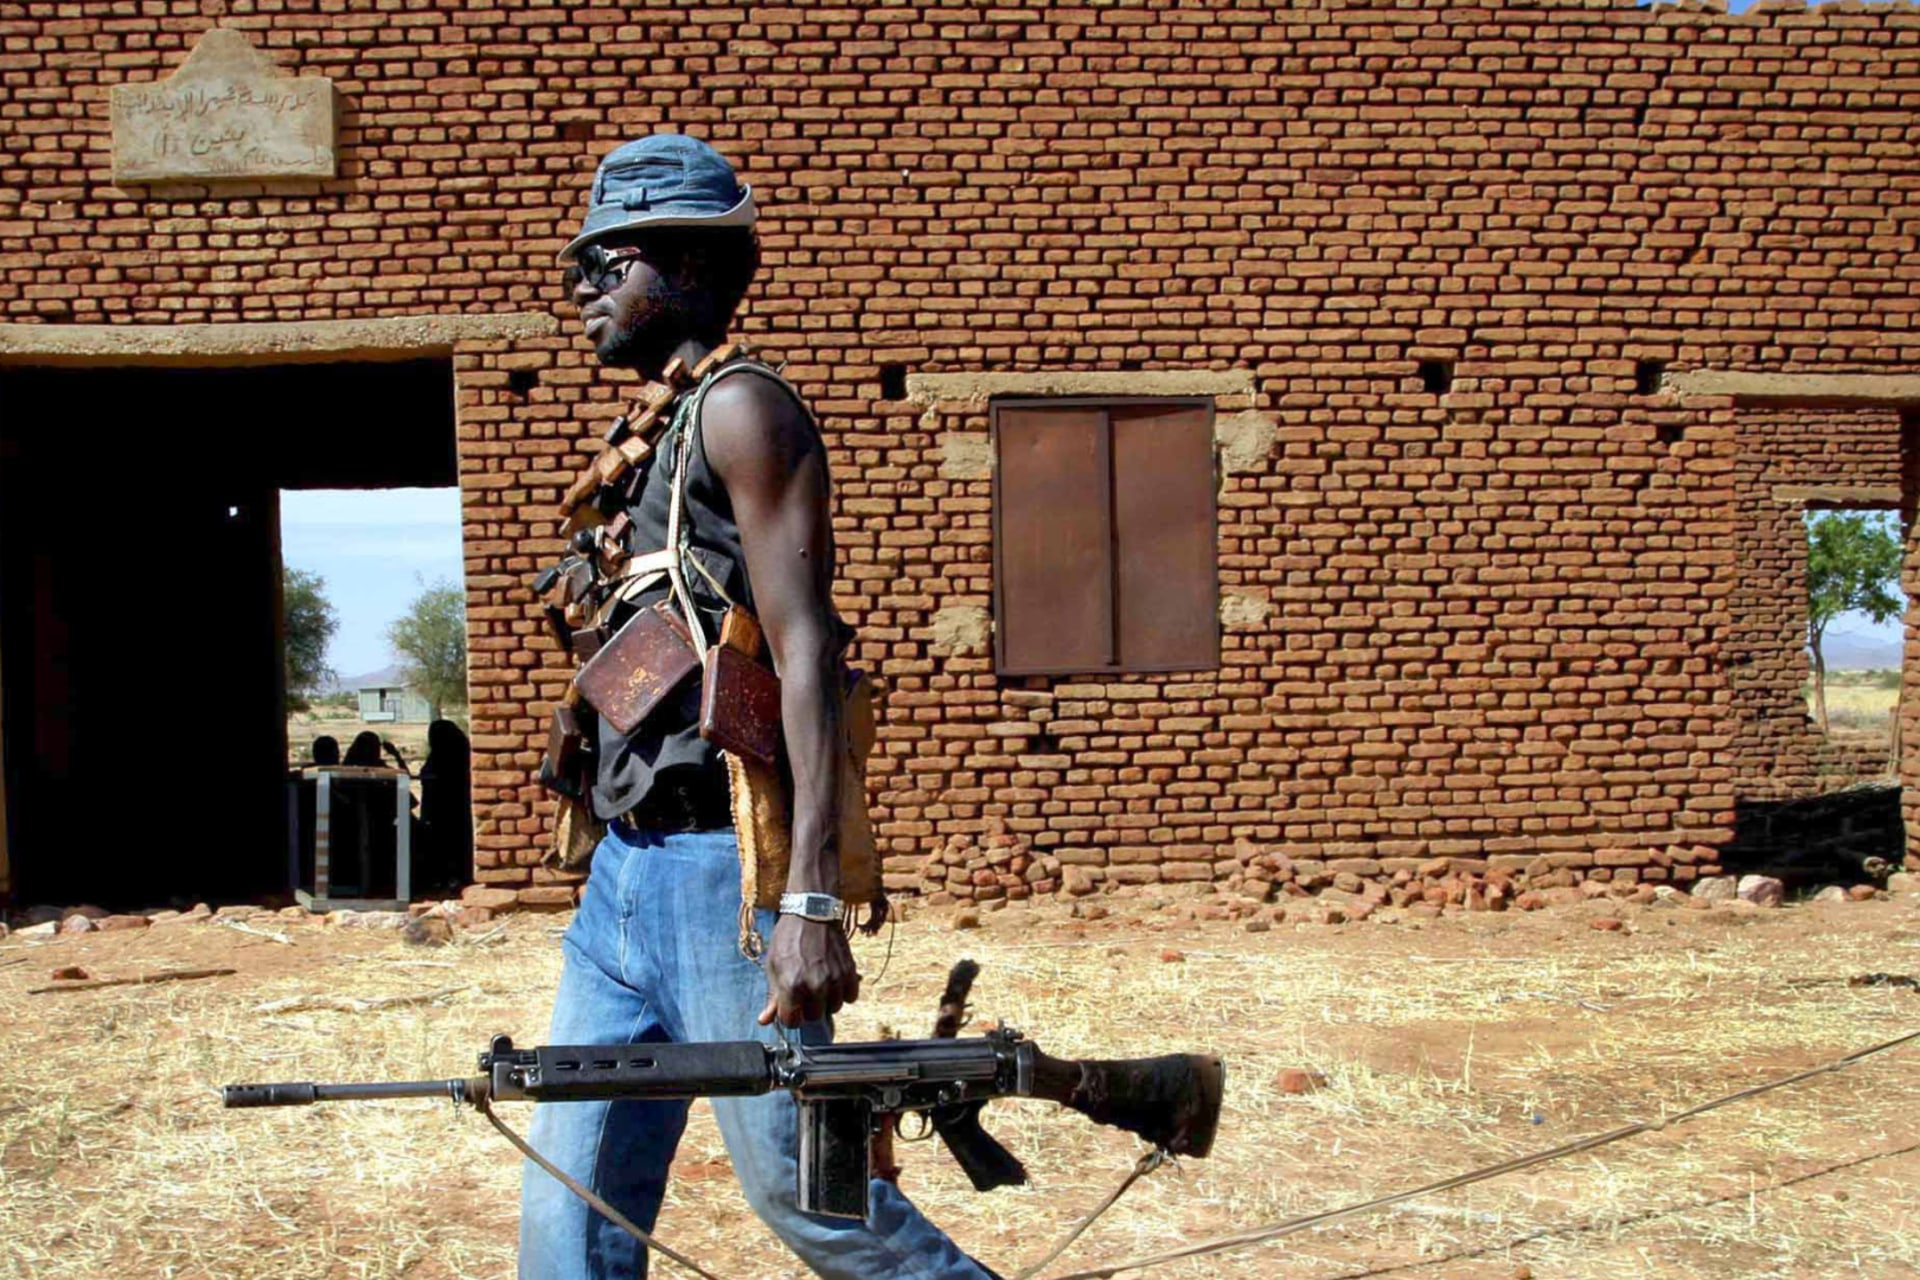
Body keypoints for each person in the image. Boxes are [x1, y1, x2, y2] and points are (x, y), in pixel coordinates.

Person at [519, 133, 998, 1279]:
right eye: (581, 266)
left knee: (814, 1203)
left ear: (684, 267)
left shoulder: (743, 410)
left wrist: (811, 898)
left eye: (610, 262)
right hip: (623, 882)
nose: (584, 287)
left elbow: (810, 653)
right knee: (568, 1214)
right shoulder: (651, 438)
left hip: (720, 882)